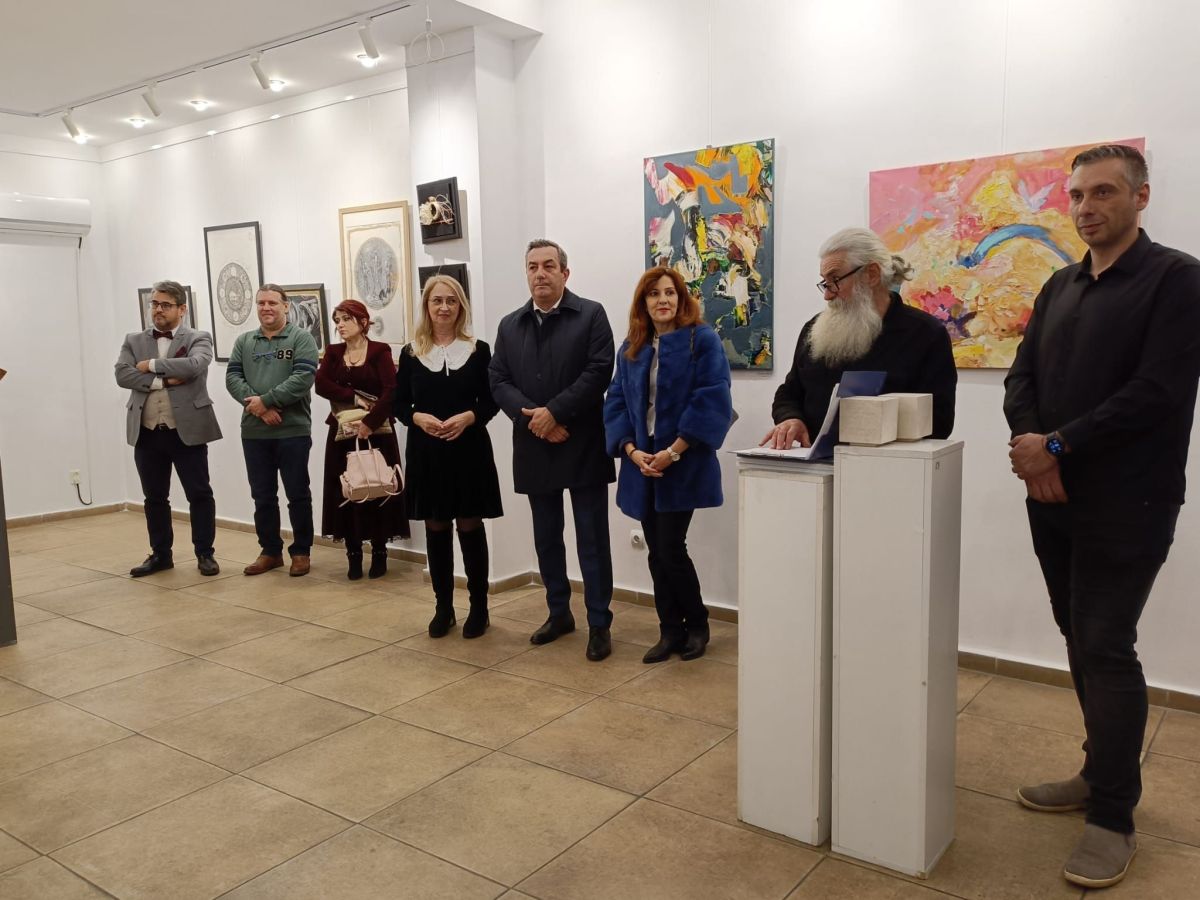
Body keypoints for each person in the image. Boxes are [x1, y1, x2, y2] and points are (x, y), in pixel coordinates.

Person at [1003, 144, 1200, 889]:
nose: (1087, 207)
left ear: (1141, 197)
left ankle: (1114, 817)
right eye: (1078, 194)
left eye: (1105, 192)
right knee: (1078, 638)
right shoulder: (1060, 284)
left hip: (1130, 500)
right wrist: (1033, 449)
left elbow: (1157, 390)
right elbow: (1022, 377)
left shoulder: (1177, 279)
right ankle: (1097, 772)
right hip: (1051, 496)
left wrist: (1056, 445)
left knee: (1106, 644)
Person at [489, 238, 617, 661]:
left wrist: (555, 413)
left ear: (565, 272)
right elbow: (498, 380)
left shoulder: (591, 315)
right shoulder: (510, 325)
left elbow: (599, 371)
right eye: (532, 267)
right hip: (535, 445)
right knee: (547, 538)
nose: (540, 273)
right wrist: (536, 421)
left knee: (592, 539)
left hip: (583, 443)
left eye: (548, 266)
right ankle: (559, 613)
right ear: (526, 274)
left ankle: (599, 622)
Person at [604, 267, 733, 663]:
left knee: (671, 548)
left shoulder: (702, 340)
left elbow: (713, 399)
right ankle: (669, 630)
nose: (663, 300)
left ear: (681, 298)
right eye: (654, 293)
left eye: (670, 292)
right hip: (642, 464)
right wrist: (631, 451)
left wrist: (673, 451)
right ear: (643, 302)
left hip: (683, 464)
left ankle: (697, 625)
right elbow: (617, 402)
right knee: (656, 552)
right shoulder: (632, 347)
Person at [761, 227, 956, 450]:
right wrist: (790, 418)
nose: (828, 295)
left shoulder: (925, 334)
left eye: (835, 280)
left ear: (871, 274)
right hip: (815, 466)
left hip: (891, 465)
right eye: (825, 282)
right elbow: (789, 393)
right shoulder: (814, 330)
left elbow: (939, 423)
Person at [394, 275, 502, 638]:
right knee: (436, 527)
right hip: (427, 452)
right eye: (437, 300)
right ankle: (443, 608)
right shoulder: (410, 353)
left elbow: (491, 400)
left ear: (461, 307)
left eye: (451, 301)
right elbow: (398, 403)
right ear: (426, 306)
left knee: (470, 527)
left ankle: (479, 608)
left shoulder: (478, 350)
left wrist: (469, 417)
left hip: (469, 451)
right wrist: (417, 418)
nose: (444, 307)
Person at [115, 280, 221, 577]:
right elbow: (122, 375)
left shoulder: (199, 337)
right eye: (154, 304)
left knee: (199, 494)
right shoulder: (133, 340)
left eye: (165, 304)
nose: (158, 310)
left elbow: (195, 365)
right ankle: (161, 555)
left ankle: (205, 553)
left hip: (187, 430)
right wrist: (162, 380)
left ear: (182, 309)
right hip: (147, 431)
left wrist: (149, 365)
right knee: (154, 498)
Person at [226, 283, 319, 577]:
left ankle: (301, 551)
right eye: (261, 303)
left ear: (286, 306)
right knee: (263, 496)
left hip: (293, 431)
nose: (266, 308)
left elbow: (303, 378)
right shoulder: (244, 341)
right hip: (255, 433)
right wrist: (260, 409)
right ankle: (270, 551)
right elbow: (232, 378)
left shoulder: (302, 338)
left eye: (272, 303)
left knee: (298, 494)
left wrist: (266, 401)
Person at [315, 299, 410, 580]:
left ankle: (379, 552)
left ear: (363, 321)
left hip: (378, 432)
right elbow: (321, 384)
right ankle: (353, 553)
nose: (340, 325)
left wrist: (369, 423)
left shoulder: (380, 351)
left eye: (346, 319)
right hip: (342, 432)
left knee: (379, 486)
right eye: (337, 320)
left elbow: (391, 390)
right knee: (347, 490)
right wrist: (354, 397)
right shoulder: (334, 353)